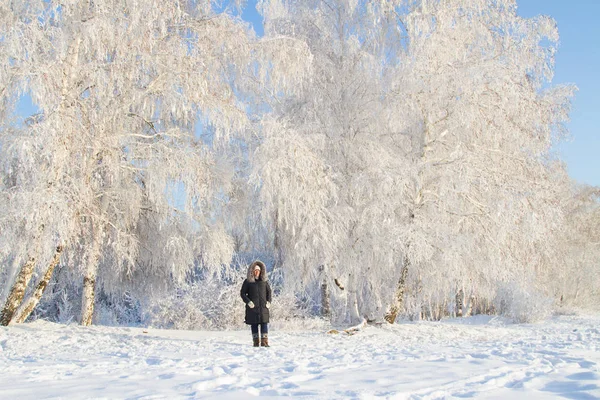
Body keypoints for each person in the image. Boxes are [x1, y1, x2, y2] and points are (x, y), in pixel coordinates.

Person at [240, 260, 272, 347]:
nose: (256, 272)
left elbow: (269, 292)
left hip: (263, 308)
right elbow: (242, 293)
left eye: (258, 270)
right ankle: (256, 342)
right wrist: (248, 301)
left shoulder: (264, 282)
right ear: (252, 271)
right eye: (254, 270)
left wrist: (269, 302)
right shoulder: (248, 282)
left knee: (264, 324)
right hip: (252, 309)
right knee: (254, 324)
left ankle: (265, 342)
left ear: (261, 271)